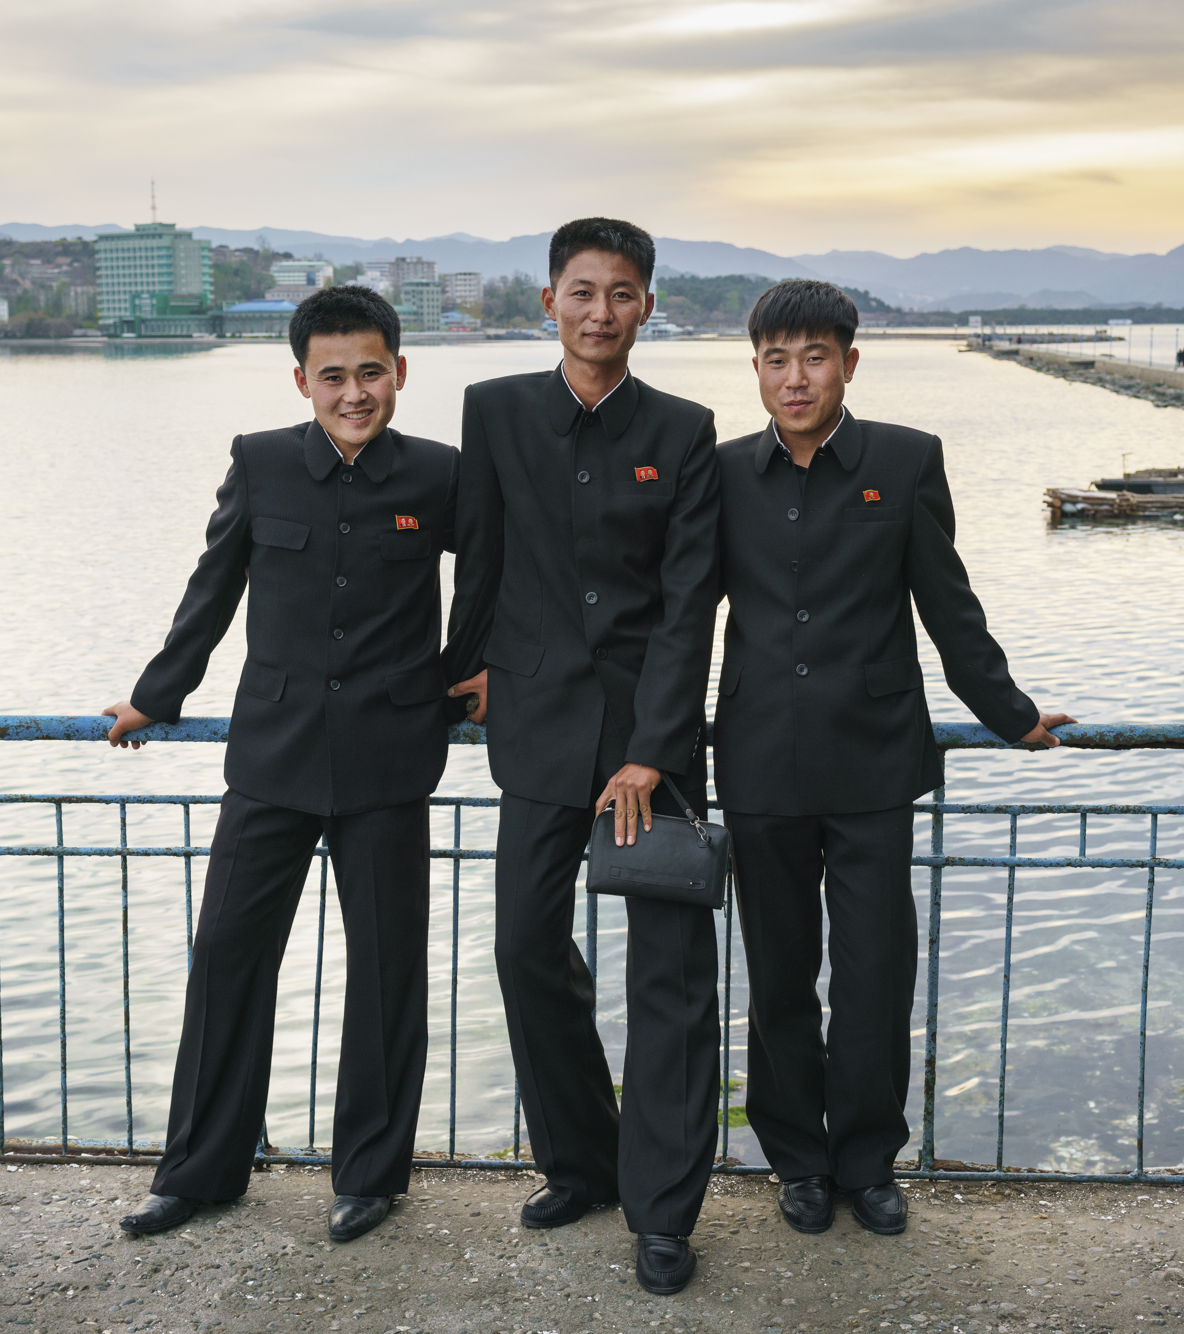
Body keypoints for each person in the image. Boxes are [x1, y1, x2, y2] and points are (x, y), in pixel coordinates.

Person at [712, 279, 1069, 1242]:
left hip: (873, 762)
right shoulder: (722, 473)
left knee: (875, 973)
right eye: (776, 360)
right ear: (755, 369)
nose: (796, 378)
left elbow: (945, 603)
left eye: (814, 357)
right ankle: (796, 1158)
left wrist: (1010, 712)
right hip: (756, 762)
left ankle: (867, 1160)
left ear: (849, 364)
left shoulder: (905, 461)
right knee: (779, 974)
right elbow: (677, 619)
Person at [103, 287, 460, 1243]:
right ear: (302, 379)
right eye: (334, 376)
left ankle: (371, 1179)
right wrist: (158, 694)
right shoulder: (259, 464)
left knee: (387, 975)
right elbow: (211, 589)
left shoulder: (439, 476)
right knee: (227, 958)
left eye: (372, 373)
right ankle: (200, 1174)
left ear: (399, 373)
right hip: (271, 757)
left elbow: (501, 582)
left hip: (391, 759)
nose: (355, 393)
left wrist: (473, 673)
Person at [443, 218, 721, 1296]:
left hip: (648, 743)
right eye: (580, 290)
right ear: (547, 301)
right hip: (535, 725)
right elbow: (480, 559)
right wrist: (459, 669)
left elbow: (688, 602)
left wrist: (654, 748)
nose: (599, 310)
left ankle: (661, 1210)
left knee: (668, 980)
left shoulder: (684, 428)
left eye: (620, 293)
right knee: (524, 945)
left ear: (646, 307)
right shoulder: (496, 409)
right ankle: (583, 1157)